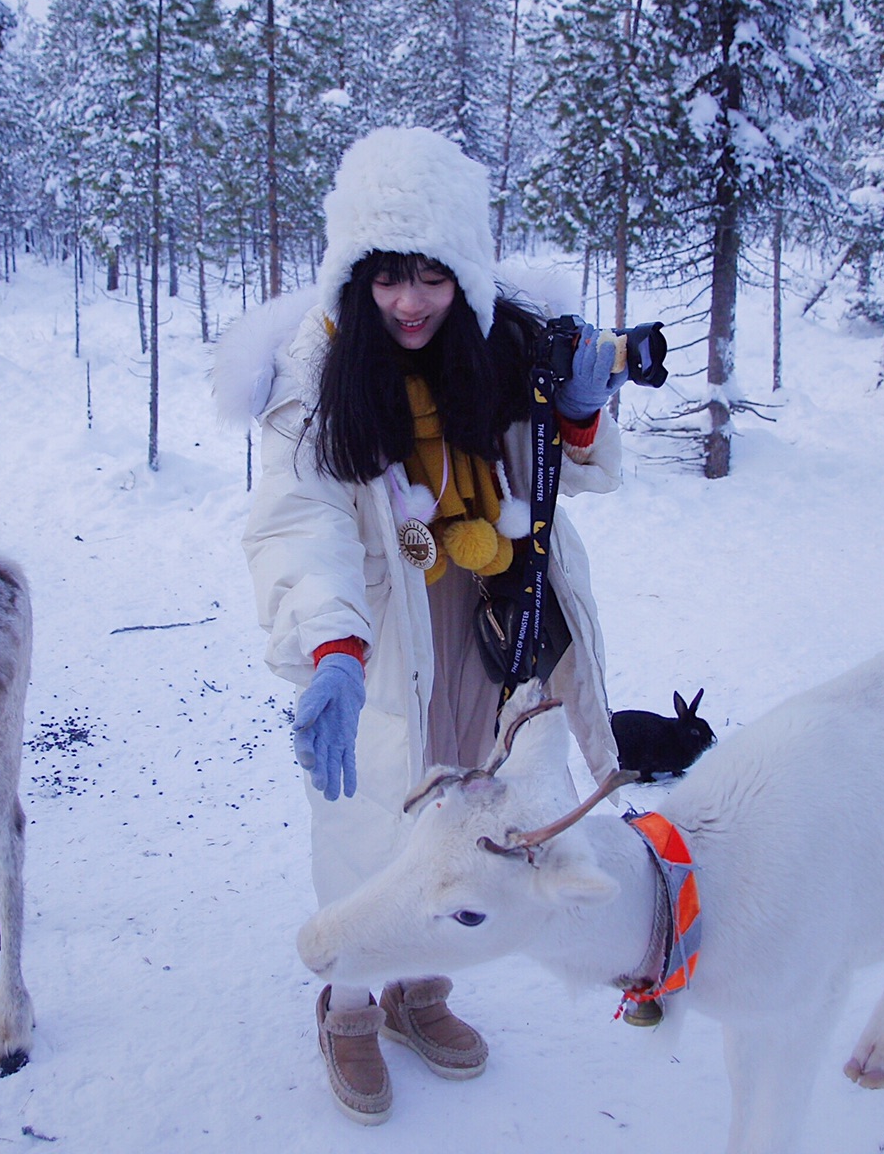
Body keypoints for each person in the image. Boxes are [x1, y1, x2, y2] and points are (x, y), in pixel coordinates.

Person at [236, 127, 626, 1125]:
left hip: (488, 620)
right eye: (388, 279)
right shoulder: (317, 373)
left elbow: (568, 470)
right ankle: (354, 1003)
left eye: (432, 276)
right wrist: (330, 643)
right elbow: (300, 521)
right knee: (372, 817)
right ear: (353, 278)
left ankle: (421, 983)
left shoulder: (499, 351)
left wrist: (579, 412)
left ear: (465, 273)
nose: (410, 302)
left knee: (471, 800)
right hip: (378, 630)